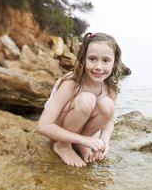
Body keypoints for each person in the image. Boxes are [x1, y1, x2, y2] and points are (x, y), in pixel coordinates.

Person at [37, 32, 122, 167]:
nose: (98, 66)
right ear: (83, 59)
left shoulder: (110, 89)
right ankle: (63, 145)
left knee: (107, 105)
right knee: (86, 100)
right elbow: (43, 126)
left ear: (114, 62)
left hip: (77, 132)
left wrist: (104, 140)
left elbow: (109, 121)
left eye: (105, 60)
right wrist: (85, 140)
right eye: (92, 59)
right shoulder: (72, 82)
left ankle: (76, 143)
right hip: (57, 131)